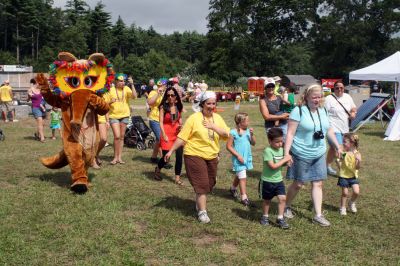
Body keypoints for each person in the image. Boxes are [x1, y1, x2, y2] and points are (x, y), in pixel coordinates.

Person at [165, 91, 230, 224]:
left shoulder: (217, 118)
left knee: (210, 183)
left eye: (213, 103)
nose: (211, 106)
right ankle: (202, 212)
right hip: (194, 154)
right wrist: (171, 151)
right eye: (208, 103)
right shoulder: (194, 119)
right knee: (202, 184)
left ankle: (200, 201)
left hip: (212, 155)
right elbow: (182, 137)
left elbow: (226, 133)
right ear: (202, 104)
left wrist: (213, 127)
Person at [284, 84, 342, 227]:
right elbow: (290, 133)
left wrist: (336, 145)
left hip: (319, 153)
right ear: (307, 96)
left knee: (318, 183)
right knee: (298, 184)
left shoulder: (323, 111)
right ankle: (285, 206)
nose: (317, 99)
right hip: (301, 152)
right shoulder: (298, 111)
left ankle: (318, 215)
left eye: (320, 96)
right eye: (314, 97)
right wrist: (286, 153)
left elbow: (328, 130)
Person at [260, 127, 291, 229]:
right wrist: (285, 159)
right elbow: (273, 166)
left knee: (282, 198)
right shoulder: (267, 151)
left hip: (278, 180)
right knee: (267, 200)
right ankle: (265, 217)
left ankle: (280, 218)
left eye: (281, 141)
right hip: (267, 181)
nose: (280, 144)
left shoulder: (282, 150)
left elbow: (281, 164)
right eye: (277, 142)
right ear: (270, 141)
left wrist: (288, 162)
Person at [324, 81, 357, 175]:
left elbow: (353, 107)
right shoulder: (328, 99)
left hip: (345, 128)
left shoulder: (348, 97)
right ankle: (344, 172)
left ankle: (326, 167)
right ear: (333, 89)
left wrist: (353, 113)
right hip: (332, 128)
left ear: (344, 88)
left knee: (333, 148)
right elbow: (323, 112)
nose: (339, 89)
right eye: (337, 88)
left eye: (341, 88)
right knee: (339, 149)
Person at [154, 85, 184, 185]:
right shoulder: (163, 107)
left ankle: (177, 178)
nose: (170, 97)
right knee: (166, 157)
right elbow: (161, 122)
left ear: (176, 96)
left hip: (177, 134)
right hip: (166, 133)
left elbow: (179, 118)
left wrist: (180, 125)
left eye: (172, 95)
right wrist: (163, 134)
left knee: (179, 156)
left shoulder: (179, 106)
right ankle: (158, 168)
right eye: (168, 95)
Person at [104, 75, 137, 165]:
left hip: (125, 115)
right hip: (113, 116)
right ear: (115, 81)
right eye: (120, 81)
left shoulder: (126, 88)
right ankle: (115, 157)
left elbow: (134, 96)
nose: (122, 83)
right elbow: (104, 103)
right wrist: (111, 101)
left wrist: (132, 84)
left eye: (124, 81)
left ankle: (119, 157)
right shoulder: (110, 90)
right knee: (117, 136)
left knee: (122, 137)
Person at [226, 112, 256, 206]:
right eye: (247, 121)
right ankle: (244, 197)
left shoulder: (247, 131)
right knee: (242, 176)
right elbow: (228, 146)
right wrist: (238, 156)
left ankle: (233, 188)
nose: (249, 122)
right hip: (238, 158)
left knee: (240, 174)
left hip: (246, 157)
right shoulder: (233, 132)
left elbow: (253, 143)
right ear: (240, 122)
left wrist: (252, 134)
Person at [336, 133, 361, 215]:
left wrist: (359, 161)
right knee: (345, 193)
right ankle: (342, 207)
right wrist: (338, 162)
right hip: (343, 176)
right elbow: (339, 161)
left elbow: (357, 168)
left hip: (353, 176)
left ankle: (351, 202)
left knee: (356, 192)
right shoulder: (343, 153)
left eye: (345, 142)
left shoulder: (357, 154)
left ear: (352, 143)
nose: (343, 143)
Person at [148, 79, 167, 164]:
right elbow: (150, 103)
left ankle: (153, 157)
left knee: (158, 140)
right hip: (154, 119)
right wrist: (158, 94)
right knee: (161, 139)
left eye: (162, 86)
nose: (160, 87)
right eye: (159, 86)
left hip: (164, 120)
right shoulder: (153, 92)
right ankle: (164, 160)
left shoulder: (167, 94)